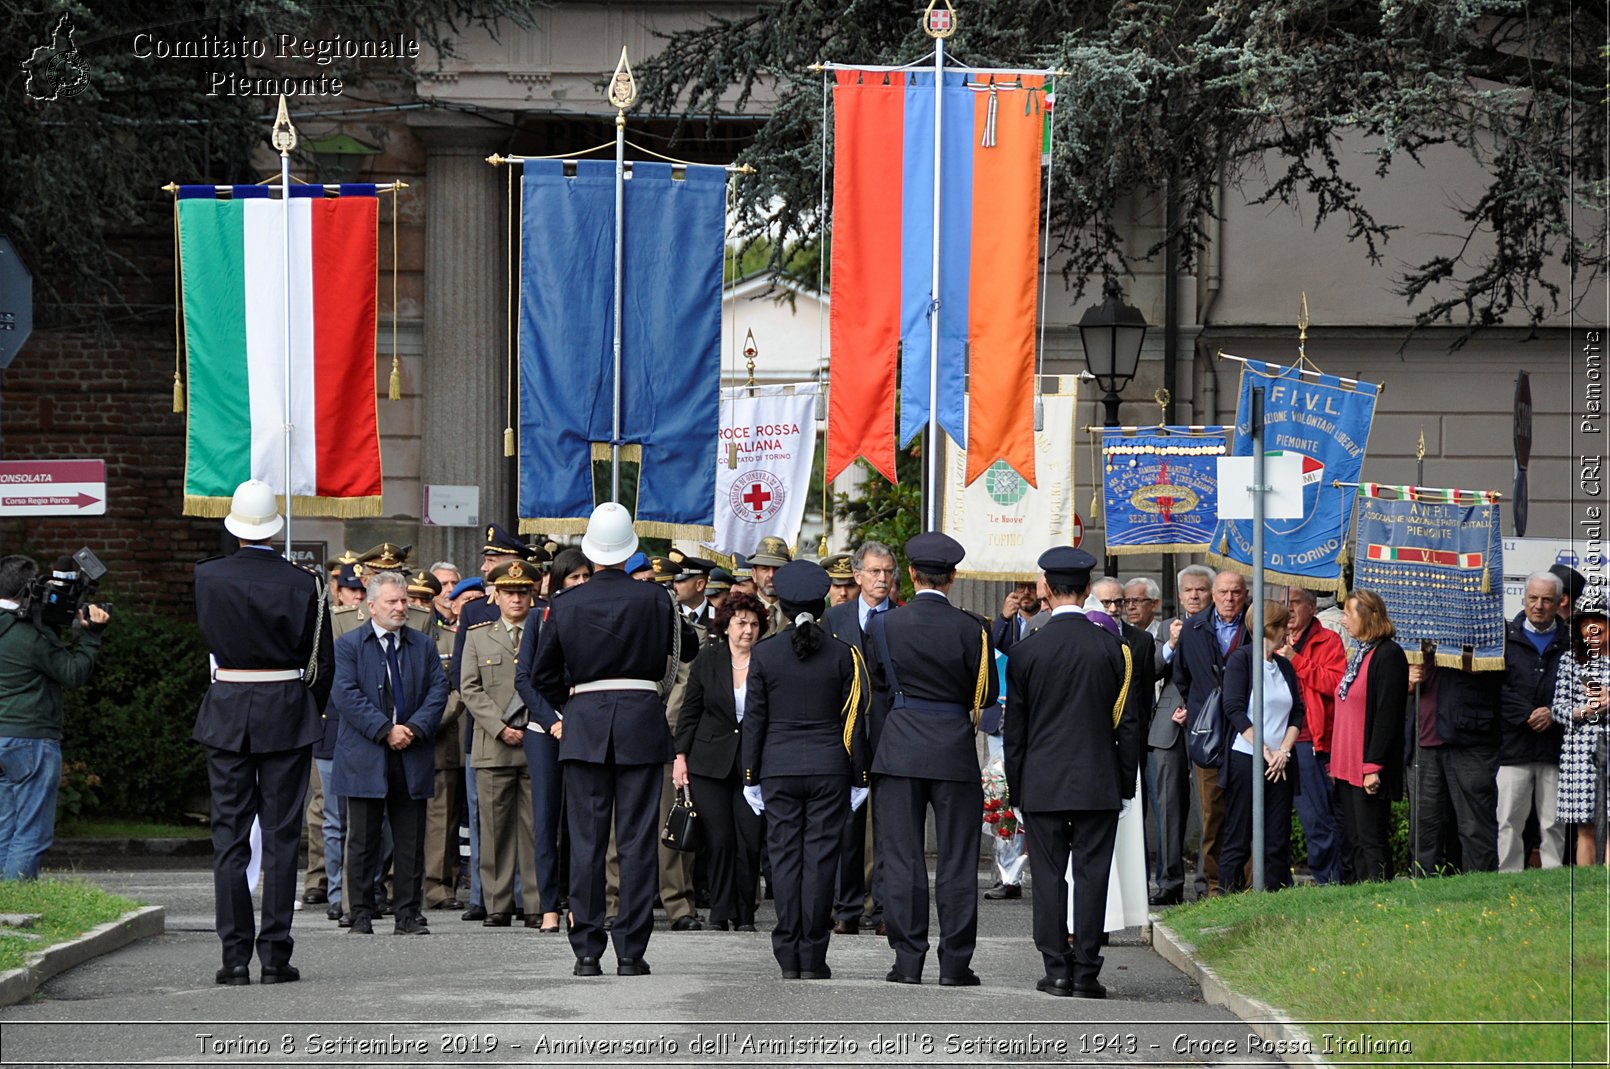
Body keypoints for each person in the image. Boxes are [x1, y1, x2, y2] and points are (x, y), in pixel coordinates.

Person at [532, 502, 698, 978]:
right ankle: (631, 950)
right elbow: (684, 648)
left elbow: (542, 676)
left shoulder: (564, 604)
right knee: (637, 841)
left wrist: (579, 699)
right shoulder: (658, 598)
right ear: (630, 548)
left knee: (585, 842)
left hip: (585, 725)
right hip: (641, 722)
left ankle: (586, 950)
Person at [193, 480, 334, 985]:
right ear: (275, 528)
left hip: (228, 706)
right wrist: (304, 708)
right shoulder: (306, 583)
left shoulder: (207, 577)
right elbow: (321, 665)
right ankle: (274, 956)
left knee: (229, 839)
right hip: (285, 710)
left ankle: (234, 957)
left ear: (234, 524)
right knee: (278, 839)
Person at [1004, 547, 1137, 999]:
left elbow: (1016, 731)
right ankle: (1086, 971)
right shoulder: (1114, 648)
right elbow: (1127, 724)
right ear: (1086, 591)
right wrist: (1124, 784)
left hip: (1041, 781)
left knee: (1048, 876)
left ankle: (1056, 969)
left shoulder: (1025, 652)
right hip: (1098, 779)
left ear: (1046, 590)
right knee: (1092, 876)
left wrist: (1016, 789)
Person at [866, 531, 997, 987]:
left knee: (901, 859)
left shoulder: (882, 625)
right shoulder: (974, 627)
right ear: (953, 577)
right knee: (958, 861)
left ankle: (907, 961)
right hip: (954, 750)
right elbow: (987, 693)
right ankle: (955, 964)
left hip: (899, 748)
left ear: (911, 576)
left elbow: (876, 686)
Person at [743, 560, 870, 979]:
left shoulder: (763, 653)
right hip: (830, 767)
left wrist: (750, 775)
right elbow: (855, 720)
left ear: (781, 603)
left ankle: (787, 954)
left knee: (783, 860)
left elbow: (755, 721)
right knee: (820, 862)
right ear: (821, 605)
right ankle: (813, 956)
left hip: (778, 768)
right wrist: (859, 776)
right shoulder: (843, 654)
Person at [329, 570, 448, 936]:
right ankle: (361, 913)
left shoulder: (424, 645)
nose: (401, 608)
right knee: (363, 839)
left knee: (410, 840)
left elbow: (438, 690)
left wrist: (411, 729)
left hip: (411, 752)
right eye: (392, 602)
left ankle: (408, 914)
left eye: (404, 601)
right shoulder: (349, 645)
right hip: (366, 753)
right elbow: (346, 694)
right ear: (371, 606)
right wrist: (385, 729)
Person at [0, 556, 109, 880]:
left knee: (4, 826)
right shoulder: (30, 636)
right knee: (31, 830)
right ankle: (16, 906)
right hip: (30, 737)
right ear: (31, 588)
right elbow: (73, 673)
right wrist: (92, 637)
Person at [463, 560, 557, 931]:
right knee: (495, 829)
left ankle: (535, 902)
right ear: (495, 596)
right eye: (509, 593)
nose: (516, 599)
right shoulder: (478, 635)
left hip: (536, 736)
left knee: (537, 825)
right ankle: (497, 902)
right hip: (494, 743)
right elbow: (469, 687)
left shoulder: (545, 628)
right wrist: (500, 726)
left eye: (523, 592)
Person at [672, 592, 768, 931]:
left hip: (753, 764)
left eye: (754, 624)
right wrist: (680, 757)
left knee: (749, 839)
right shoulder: (708, 659)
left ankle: (745, 914)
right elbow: (690, 710)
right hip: (709, 761)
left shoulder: (767, 659)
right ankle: (721, 911)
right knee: (720, 839)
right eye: (741, 623)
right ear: (726, 625)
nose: (748, 631)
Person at [821, 541, 897, 937]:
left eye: (887, 572)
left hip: (890, 733)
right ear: (857, 576)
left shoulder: (902, 619)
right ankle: (846, 907)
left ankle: (884, 907)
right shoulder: (835, 618)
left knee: (889, 824)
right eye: (874, 571)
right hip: (845, 733)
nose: (881, 578)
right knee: (845, 823)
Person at [1219, 600, 1305, 892]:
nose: (1288, 631)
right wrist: (1265, 751)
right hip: (1247, 759)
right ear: (1270, 628)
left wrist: (1283, 751)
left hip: (1280, 762)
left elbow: (1297, 712)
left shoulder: (1283, 665)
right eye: (1283, 625)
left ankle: (1274, 899)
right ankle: (1230, 899)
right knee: (1239, 835)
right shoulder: (1242, 660)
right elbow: (1233, 708)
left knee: (1277, 839)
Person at [1172, 569, 1247, 897]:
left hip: (1247, 731)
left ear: (1245, 595)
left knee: (1246, 811)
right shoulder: (1194, 627)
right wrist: (1201, 709)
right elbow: (1181, 675)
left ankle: (1247, 887)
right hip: (1209, 735)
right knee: (1212, 815)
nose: (1229, 599)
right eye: (1223, 593)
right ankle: (1215, 887)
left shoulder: (1253, 626)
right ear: (1213, 595)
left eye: (1236, 593)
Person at [1332, 589, 1409, 882]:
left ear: (1368, 616)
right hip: (1346, 764)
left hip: (1367, 767)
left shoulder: (1388, 655)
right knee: (1354, 839)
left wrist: (1373, 766)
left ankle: (1379, 897)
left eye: (1348, 614)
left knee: (1371, 839)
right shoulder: (1360, 653)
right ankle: (1360, 898)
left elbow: (1387, 716)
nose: (1343, 621)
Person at [1147, 564, 1213, 906]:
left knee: (1208, 808)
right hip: (1168, 727)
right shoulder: (1164, 627)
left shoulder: (1221, 625)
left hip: (1207, 723)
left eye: (1200, 589)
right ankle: (1169, 883)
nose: (1194, 595)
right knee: (1168, 808)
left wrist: (1198, 708)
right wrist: (1170, 644)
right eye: (1188, 590)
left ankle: (1206, 883)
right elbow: (1152, 669)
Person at [1497, 572, 1569, 870]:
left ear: (1559, 603)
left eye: (1547, 600)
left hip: (1555, 748)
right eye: (1533, 598)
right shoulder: (1504, 638)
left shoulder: (1572, 642)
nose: (1539, 605)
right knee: (1509, 820)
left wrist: (1553, 711)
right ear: (1524, 599)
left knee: (1553, 821)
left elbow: (1580, 687)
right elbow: (1495, 687)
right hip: (1514, 746)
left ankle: (1553, 877)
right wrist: (1528, 713)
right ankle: (1508, 877)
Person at [1277, 586, 1345, 885]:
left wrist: (1296, 660)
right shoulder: (1271, 639)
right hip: (1274, 741)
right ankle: (1277, 884)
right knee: (1273, 818)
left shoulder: (1328, 640)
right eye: (1284, 603)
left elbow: (1336, 684)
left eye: (1295, 603)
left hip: (1309, 741)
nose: (1289, 609)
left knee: (1316, 818)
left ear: (1312, 608)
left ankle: (1329, 882)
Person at [1550, 596, 1608, 867]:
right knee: (1585, 826)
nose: (1591, 629)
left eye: (1597, 622)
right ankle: (1586, 886)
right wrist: (1586, 710)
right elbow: (1558, 709)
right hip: (1581, 753)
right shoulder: (1569, 661)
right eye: (1585, 623)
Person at [748, 536, 792, 633]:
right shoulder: (742, 612)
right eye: (765, 568)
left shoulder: (797, 613)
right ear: (754, 574)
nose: (771, 575)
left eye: (777, 569)